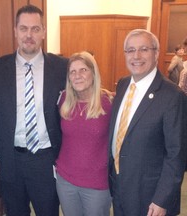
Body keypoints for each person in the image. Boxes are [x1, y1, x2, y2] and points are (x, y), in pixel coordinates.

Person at [0, 4, 68, 216]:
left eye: (35, 29)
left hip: (46, 160)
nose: (29, 35)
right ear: (15, 31)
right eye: (23, 29)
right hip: (11, 159)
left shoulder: (62, 67)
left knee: (48, 212)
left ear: (43, 31)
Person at [108, 29, 186, 216]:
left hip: (150, 197)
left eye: (144, 49)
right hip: (120, 187)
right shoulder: (123, 84)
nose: (136, 56)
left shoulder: (172, 96)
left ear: (156, 53)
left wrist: (162, 199)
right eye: (130, 50)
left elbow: (176, 155)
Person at [55, 51, 112, 216]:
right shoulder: (64, 101)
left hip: (97, 183)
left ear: (93, 73)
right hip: (65, 180)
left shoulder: (108, 102)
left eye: (83, 70)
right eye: (72, 72)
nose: (77, 75)